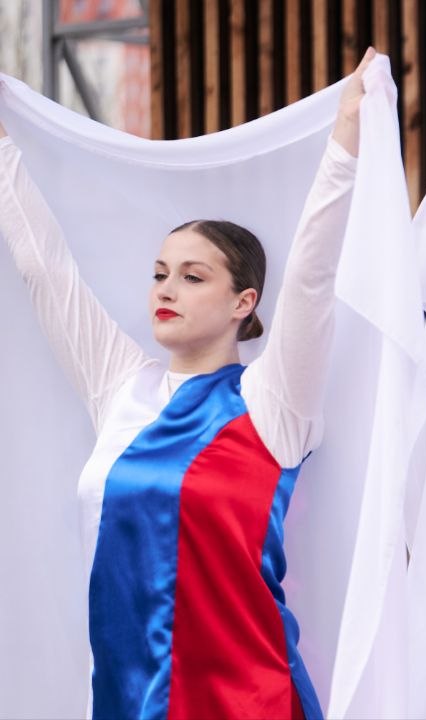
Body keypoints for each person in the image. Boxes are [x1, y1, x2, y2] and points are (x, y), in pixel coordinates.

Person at [0, 47, 377, 720]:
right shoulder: (123, 390)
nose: (166, 290)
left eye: (193, 276)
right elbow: (46, 270)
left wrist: (347, 135)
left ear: (243, 302)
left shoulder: (271, 404)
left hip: (250, 703)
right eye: (159, 274)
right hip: (125, 701)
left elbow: (313, 278)